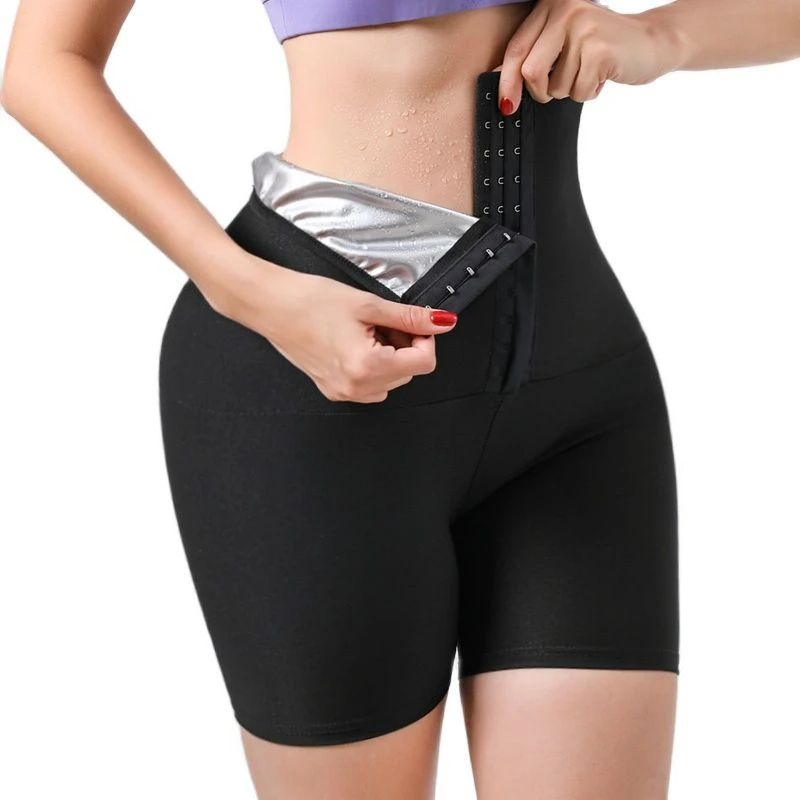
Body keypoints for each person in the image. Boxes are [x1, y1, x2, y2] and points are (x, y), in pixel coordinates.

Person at [2, 1, 798, 797]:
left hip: (575, 397)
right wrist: (243, 288)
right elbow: (44, 63)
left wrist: (659, 36)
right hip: (313, 381)